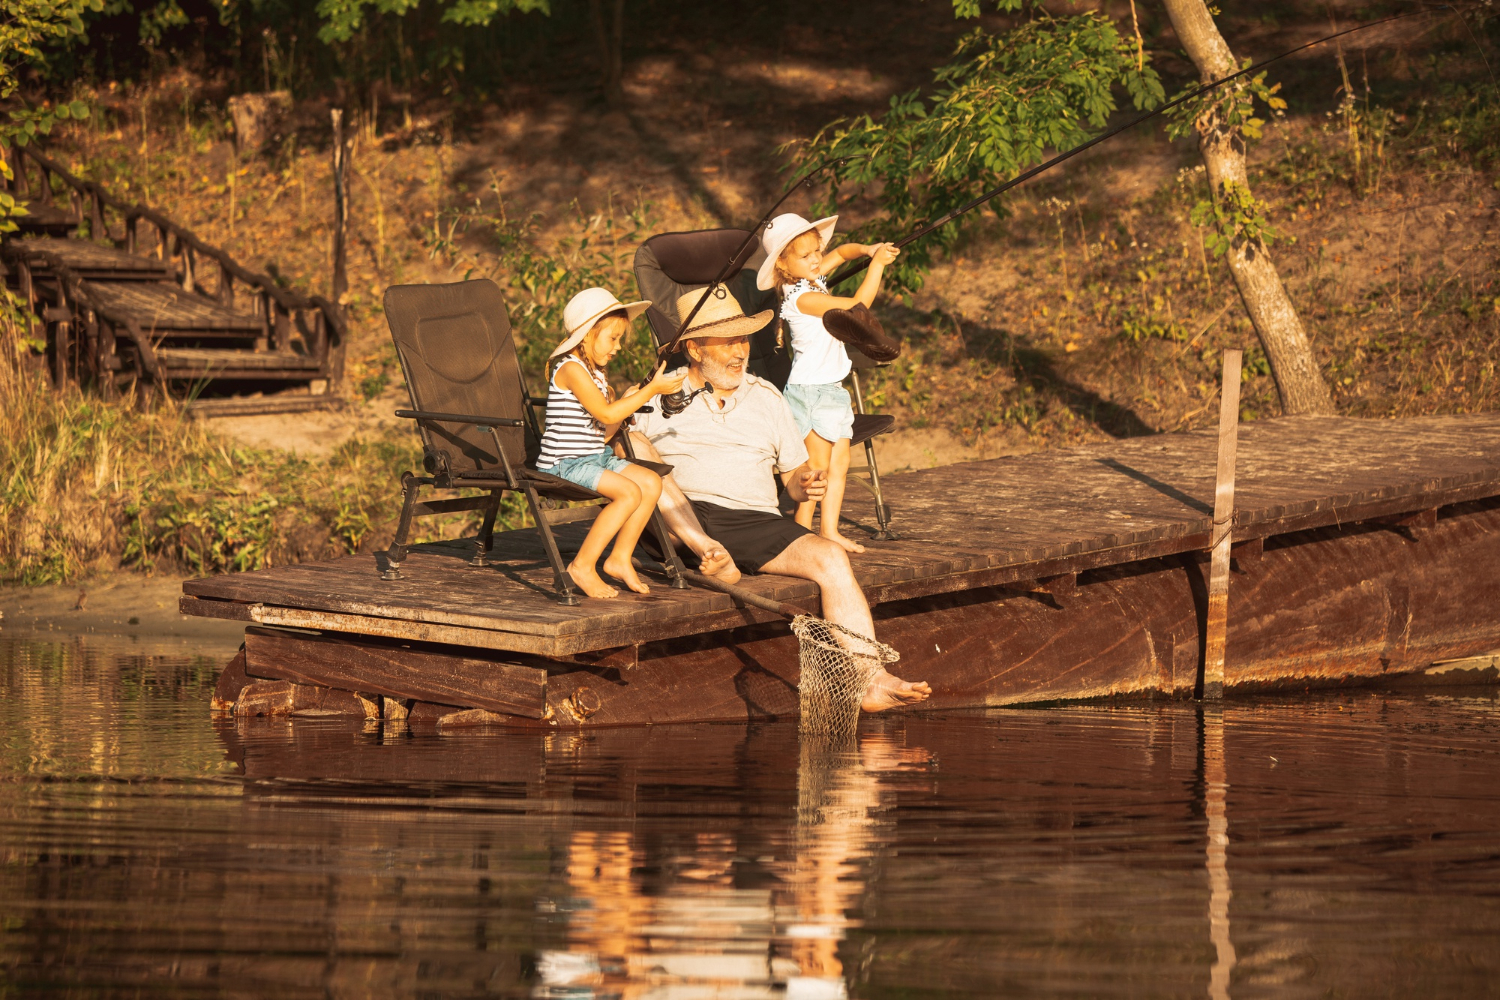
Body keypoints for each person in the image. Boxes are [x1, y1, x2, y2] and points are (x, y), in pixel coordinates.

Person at [632, 288, 930, 713]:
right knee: (636, 445)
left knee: (830, 557)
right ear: (694, 348)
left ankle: (870, 679)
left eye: (743, 339)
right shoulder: (655, 395)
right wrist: (625, 405)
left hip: (753, 521)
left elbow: (790, 476)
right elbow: (603, 442)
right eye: (728, 341)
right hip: (679, 515)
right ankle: (709, 551)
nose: (740, 351)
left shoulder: (767, 398)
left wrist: (803, 484)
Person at [757, 212, 901, 555]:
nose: (816, 259)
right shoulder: (801, 298)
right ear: (784, 265)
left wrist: (868, 249)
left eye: (816, 251)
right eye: (805, 256)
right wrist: (877, 266)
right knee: (816, 472)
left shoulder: (813, 278)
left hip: (833, 391)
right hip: (811, 393)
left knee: (840, 465)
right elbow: (857, 307)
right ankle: (800, 536)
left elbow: (841, 253)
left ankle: (829, 531)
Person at [537, 288, 687, 600]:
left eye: (620, 340)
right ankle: (582, 565)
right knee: (628, 492)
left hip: (595, 457)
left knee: (649, 482)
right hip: (564, 463)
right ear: (587, 335)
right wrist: (647, 393)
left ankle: (619, 558)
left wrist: (629, 401)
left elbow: (604, 431)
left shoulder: (598, 377)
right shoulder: (570, 369)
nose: (617, 348)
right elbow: (605, 412)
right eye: (612, 338)